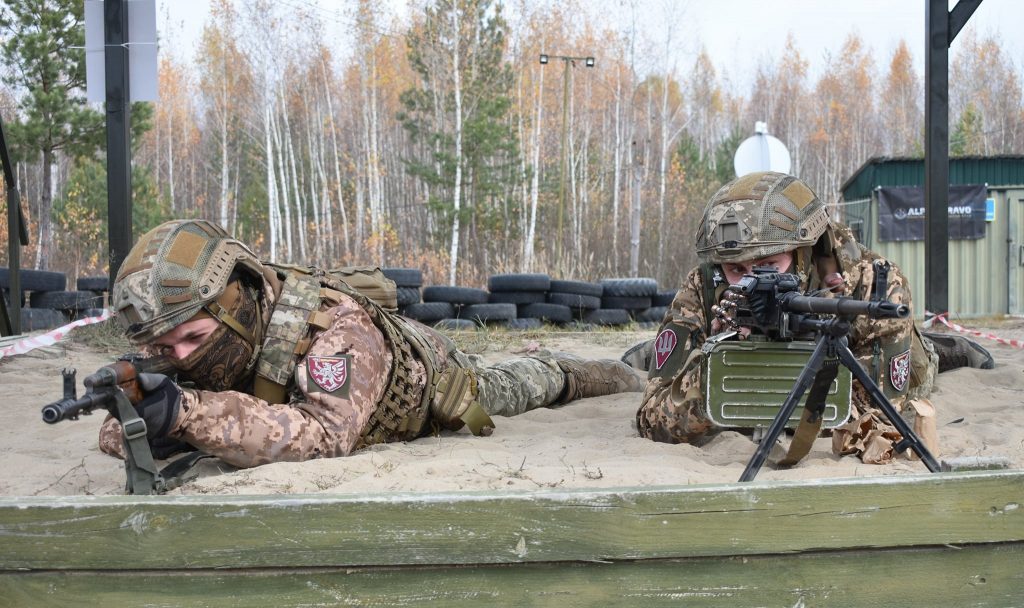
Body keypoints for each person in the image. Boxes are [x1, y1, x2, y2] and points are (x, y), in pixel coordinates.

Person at [99, 219, 643, 468]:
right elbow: (120, 429)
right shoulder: (183, 346)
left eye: (194, 338)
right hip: (373, 377)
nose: (183, 358)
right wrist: (148, 415)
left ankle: (617, 372)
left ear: (239, 301)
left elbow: (326, 435)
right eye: (166, 349)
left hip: (439, 383)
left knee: (533, 382)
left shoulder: (335, 327)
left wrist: (191, 417)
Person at [625, 171, 992, 462]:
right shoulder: (706, 285)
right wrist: (710, 367)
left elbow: (881, 410)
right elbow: (651, 419)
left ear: (804, 252)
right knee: (662, 355)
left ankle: (946, 348)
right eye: (737, 269)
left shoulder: (868, 280)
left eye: (769, 264)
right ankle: (649, 350)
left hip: (884, 353)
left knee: (920, 363)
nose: (752, 280)